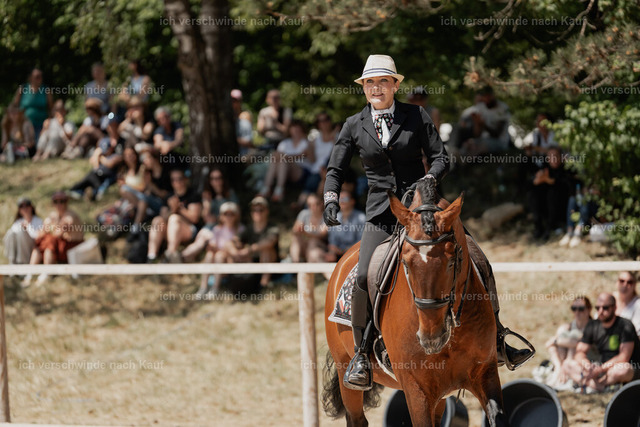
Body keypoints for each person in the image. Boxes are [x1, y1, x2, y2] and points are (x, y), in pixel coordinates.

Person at [323, 54, 533, 390]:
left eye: (383, 81)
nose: (376, 88)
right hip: (382, 213)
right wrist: (330, 198)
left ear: (395, 85)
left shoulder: (416, 115)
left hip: (423, 208)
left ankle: (497, 337)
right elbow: (335, 168)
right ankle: (362, 353)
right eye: (370, 83)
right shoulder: (353, 124)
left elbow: (440, 157)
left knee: (476, 257)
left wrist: (430, 179)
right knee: (362, 276)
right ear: (363, 88)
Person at [564, 293, 640, 392]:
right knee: (567, 364)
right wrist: (588, 366)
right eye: (597, 308)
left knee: (622, 369)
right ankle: (600, 387)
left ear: (615, 308)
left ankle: (593, 385)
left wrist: (600, 369)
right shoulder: (593, 325)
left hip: (622, 367)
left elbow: (623, 357)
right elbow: (579, 352)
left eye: (605, 308)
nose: (601, 311)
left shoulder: (625, 325)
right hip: (600, 369)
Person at [23, 192, 84, 287]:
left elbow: (59, 233)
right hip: (62, 247)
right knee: (42, 241)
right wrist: (48, 226)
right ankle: (30, 274)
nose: (59, 204)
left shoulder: (70, 215)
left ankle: (46, 272)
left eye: (61, 201)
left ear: (66, 202)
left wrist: (51, 225)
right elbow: (41, 233)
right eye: (56, 202)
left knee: (49, 240)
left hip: (73, 246)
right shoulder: (54, 215)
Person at [147, 169, 202, 263]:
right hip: (170, 230)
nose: (177, 182)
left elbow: (194, 218)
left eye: (179, 178)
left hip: (189, 230)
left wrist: (179, 209)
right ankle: (151, 256)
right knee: (157, 220)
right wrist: (172, 210)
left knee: (174, 219)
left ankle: (170, 254)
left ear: (185, 179)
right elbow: (163, 217)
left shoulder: (193, 195)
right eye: (173, 179)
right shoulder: (169, 196)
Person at [225, 196, 279, 288]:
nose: (257, 213)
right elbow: (233, 241)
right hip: (252, 262)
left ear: (267, 211)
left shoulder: (272, 227)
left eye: (260, 210)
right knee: (231, 251)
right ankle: (233, 281)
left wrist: (249, 250)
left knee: (266, 251)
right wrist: (235, 251)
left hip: (272, 265)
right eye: (254, 210)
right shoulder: (248, 228)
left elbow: (269, 242)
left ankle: (264, 285)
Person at [195, 201, 245, 296]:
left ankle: (215, 288)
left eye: (231, 214)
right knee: (210, 255)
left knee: (219, 255)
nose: (228, 217)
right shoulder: (217, 229)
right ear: (221, 216)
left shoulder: (241, 229)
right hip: (217, 261)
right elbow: (213, 246)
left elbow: (239, 248)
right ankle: (203, 287)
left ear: (236, 216)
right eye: (226, 214)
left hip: (231, 261)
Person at [544, 296, 592, 389]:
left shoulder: (592, 326)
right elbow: (549, 345)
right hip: (565, 361)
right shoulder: (568, 326)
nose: (577, 312)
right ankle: (558, 369)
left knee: (571, 339)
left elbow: (576, 342)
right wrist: (559, 365)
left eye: (581, 309)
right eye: (574, 308)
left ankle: (561, 374)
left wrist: (556, 341)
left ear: (589, 309)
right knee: (559, 341)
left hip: (584, 360)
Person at [528, 146, 571, 240]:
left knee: (552, 193)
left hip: (562, 206)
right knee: (534, 194)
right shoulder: (545, 168)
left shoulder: (566, 169)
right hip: (546, 207)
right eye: (551, 157)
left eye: (556, 156)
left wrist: (548, 180)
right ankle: (538, 226)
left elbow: (565, 184)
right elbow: (533, 182)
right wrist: (538, 180)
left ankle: (549, 228)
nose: (554, 159)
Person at [259, 120, 308, 202]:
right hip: (283, 170)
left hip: (300, 171)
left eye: (298, 128)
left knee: (283, 159)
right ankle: (272, 188)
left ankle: (271, 189)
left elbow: (302, 155)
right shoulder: (285, 143)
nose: (296, 131)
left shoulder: (306, 143)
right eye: (294, 128)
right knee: (279, 160)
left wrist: (284, 156)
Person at [296, 112, 338, 208]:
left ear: (330, 121)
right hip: (316, 169)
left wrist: (334, 136)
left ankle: (304, 205)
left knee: (315, 184)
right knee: (312, 184)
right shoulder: (315, 137)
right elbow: (309, 156)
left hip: (329, 169)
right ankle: (304, 206)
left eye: (326, 120)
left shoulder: (338, 136)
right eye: (320, 121)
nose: (323, 123)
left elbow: (338, 154)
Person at [325, 190, 365, 262]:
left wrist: (344, 251)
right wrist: (333, 251)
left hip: (355, 254)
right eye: (340, 199)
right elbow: (332, 242)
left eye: (345, 199)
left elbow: (361, 242)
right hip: (337, 254)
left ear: (352, 201)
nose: (342, 201)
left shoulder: (361, 218)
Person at [13, 68, 53, 140]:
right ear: (30, 78)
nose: (39, 78)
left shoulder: (46, 90)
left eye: (41, 76)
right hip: (24, 124)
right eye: (37, 76)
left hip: (42, 125)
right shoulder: (22, 89)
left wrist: (50, 121)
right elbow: (14, 106)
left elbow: (51, 108)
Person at [3, 198, 43, 265]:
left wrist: (27, 229)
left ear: (31, 207)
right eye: (22, 207)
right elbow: (11, 236)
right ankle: (12, 261)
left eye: (27, 206)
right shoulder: (17, 222)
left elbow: (38, 237)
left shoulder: (38, 221)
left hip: (32, 246)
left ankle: (23, 262)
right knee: (10, 233)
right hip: (19, 246)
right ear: (19, 210)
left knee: (21, 232)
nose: (25, 208)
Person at [290, 193, 328, 263]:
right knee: (296, 239)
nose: (313, 207)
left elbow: (321, 235)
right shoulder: (304, 214)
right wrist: (298, 230)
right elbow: (295, 231)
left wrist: (304, 232)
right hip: (305, 245)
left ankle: (308, 264)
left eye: (316, 204)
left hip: (320, 246)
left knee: (313, 241)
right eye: (309, 205)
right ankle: (295, 263)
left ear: (321, 204)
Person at [614, 272, 640, 337]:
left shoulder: (638, 304)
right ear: (617, 283)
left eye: (629, 282)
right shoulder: (609, 299)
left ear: (634, 285)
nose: (625, 285)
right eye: (622, 281)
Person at [231, 89, 254, 156]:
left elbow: (249, 140)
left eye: (236, 101)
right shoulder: (227, 117)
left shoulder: (245, 116)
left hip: (244, 152)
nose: (234, 103)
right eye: (232, 101)